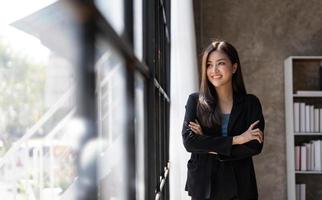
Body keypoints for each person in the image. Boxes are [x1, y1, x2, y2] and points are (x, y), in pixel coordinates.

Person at [182, 40, 265, 200]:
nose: (214, 70)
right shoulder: (195, 101)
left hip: (240, 184)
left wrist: (206, 142)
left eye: (220, 63)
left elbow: (254, 146)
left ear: (234, 67)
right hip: (205, 185)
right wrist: (237, 139)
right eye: (209, 64)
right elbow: (190, 142)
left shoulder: (250, 103)